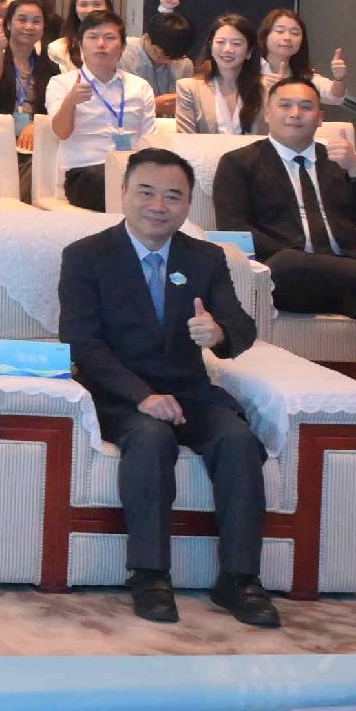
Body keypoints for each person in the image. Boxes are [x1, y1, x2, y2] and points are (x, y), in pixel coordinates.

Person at [56, 146, 274, 627]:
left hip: (191, 392)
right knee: (151, 441)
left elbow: (242, 327)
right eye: (147, 193)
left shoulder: (206, 257)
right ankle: (150, 574)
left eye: (173, 197)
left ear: (189, 204)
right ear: (124, 194)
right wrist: (142, 397)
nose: (159, 206)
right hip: (120, 396)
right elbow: (81, 344)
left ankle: (239, 579)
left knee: (239, 442)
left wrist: (217, 333)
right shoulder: (86, 256)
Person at [212, 79, 356, 325]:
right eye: (285, 105)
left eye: (306, 107)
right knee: (288, 264)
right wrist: (292, 255)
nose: (295, 114)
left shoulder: (340, 162)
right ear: (267, 113)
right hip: (287, 276)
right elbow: (233, 228)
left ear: (320, 118)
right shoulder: (238, 163)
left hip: (346, 275)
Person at [41, 9, 154, 211]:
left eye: (109, 38)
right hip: (84, 174)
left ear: (122, 46)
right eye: (93, 37)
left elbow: (149, 139)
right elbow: (61, 133)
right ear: (81, 45)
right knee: (110, 182)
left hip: (132, 171)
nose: (101, 44)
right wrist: (71, 102)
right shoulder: (62, 83)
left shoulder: (140, 86)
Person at [177, 12, 266, 136]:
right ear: (211, 47)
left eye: (236, 44)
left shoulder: (266, 89)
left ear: (249, 51)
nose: (227, 49)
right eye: (220, 42)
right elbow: (185, 141)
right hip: (203, 155)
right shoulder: (189, 88)